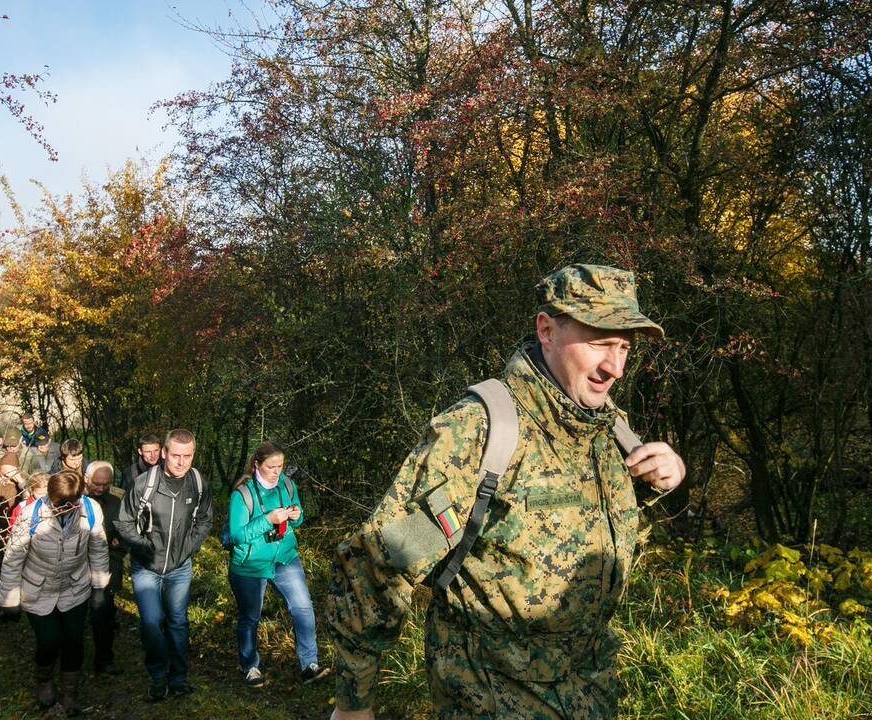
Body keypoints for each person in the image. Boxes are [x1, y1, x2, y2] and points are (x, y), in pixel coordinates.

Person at [326, 264, 686, 720]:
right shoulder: (479, 432)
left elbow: (594, 532)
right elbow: (382, 562)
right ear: (546, 331)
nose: (613, 367)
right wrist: (354, 703)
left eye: (624, 347)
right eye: (599, 343)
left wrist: (658, 480)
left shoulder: (607, 429)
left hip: (592, 693)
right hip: (493, 700)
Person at [0, 470, 110, 713]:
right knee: (49, 641)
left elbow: (98, 550)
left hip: (75, 587)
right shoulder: (31, 514)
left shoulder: (90, 511)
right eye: (59, 504)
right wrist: (9, 600)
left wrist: (100, 587)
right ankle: (44, 681)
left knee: (73, 641)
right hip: (38, 589)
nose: (63, 509)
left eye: (69, 504)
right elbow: (13, 558)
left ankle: (69, 693)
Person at [114, 428, 212, 702]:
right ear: (164, 454)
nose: (182, 462)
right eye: (176, 455)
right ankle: (158, 676)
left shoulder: (198, 483)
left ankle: (178, 678)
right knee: (151, 622)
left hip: (180, 567)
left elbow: (205, 520)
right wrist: (143, 546)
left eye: (188, 456)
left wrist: (189, 547)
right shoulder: (145, 483)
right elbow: (123, 521)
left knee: (178, 622)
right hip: (146, 566)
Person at [227, 441, 329, 688]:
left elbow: (299, 518)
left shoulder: (287, 484)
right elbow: (237, 535)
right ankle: (250, 666)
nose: (277, 472)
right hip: (250, 564)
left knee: (303, 607)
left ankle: (309, 665)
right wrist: (268, 520)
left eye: (280, 466)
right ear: (256, 465)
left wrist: (296, 514)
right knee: (250, 617)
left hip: (284, 558)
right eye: (271, 467)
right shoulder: (242, 494)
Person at [84, 461, 126, 675]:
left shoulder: (115, 503)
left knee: (103, 614)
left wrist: (119, 546)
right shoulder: (75, 501)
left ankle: (104, 659)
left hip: (106, 566)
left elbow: (125, 533)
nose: (100, 488)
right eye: (96, 484)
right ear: (86, 480)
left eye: (105, 484)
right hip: (78, 567)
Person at [8, 471, 50, 536]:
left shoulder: (52, 505)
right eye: (39, 494)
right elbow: (12, 527)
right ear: (31, 490)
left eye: (46, 493)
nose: (43, 496)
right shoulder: (22, 506)